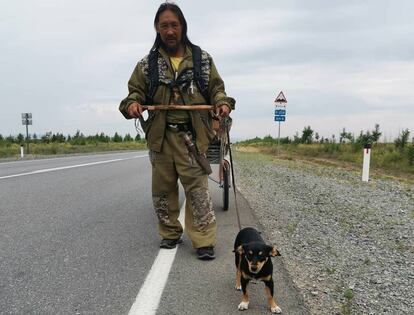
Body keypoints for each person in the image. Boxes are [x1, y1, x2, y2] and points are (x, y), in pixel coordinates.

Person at [119, 2, 235, 260]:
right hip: (160, 137)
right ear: (157, 30)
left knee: (197, 191)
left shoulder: (201, 60)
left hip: (191, 138)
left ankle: (204, 241)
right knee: (163, 190)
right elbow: (133, 94)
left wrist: (222, 103)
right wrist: (134, 105)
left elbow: (217, 88)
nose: (170, 30)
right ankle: (170, 233)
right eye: (164, 26)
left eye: (174, 25)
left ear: (182, 27)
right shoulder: (146, 65)